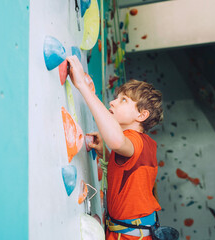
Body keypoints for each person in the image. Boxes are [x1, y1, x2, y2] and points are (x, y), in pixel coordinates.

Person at [66, 56, 163, 240]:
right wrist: (107, 155)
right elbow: (128, 171)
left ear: (142, 115)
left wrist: (82, 86)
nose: (112, 102)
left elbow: (117, 142)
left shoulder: (134, 140)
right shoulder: (146, 143)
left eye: (124, 100)